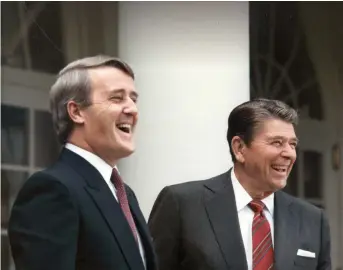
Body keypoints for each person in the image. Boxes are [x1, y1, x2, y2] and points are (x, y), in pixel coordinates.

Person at [9, 55, 157, 270]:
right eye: (117, 98)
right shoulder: (52, 189)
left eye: (133, 99)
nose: (132, 109)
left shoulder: (124, 193)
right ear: (76, 112)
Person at [148, 98, 331, 270]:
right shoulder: (182, 204)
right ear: (239, 148)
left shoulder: (313, 220)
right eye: (277, 142)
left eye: (292, 144)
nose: (290, 154)